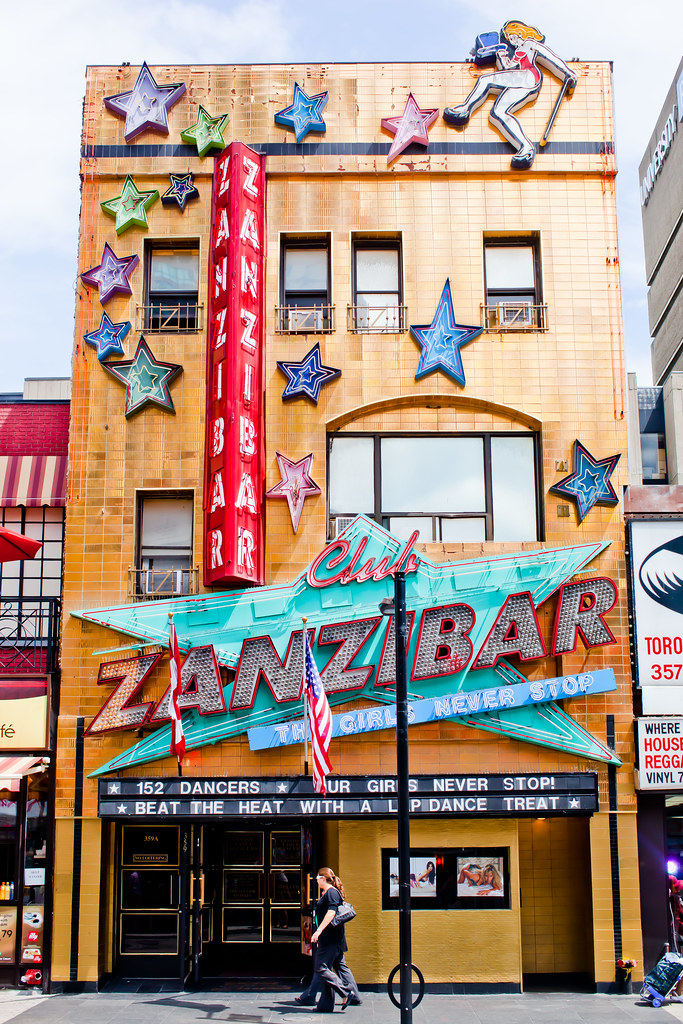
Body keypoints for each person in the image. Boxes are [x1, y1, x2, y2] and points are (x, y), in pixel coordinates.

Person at [443, 20, 577, 169]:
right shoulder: (518, 49)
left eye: (512, 36)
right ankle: (526, 147)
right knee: (498, 113)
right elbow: (508, 67)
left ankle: (465, 109)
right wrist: (501, 57)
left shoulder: (531, 44)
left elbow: (551, 58)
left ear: (520, 34)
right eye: (508, 37)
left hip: (528, 76)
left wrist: (568, 73)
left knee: (485, 80)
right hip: (520, 80)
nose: (510, 40)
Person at [304, 868, 353, 1012]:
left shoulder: (331, 892)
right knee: (326, 968)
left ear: (323, 878)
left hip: (331, 938)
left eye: (317, 878)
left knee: (321, 967)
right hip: (330, 938)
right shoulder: (328, 893)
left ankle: (345, 992)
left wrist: (318, 931)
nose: (316, 880)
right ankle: (325, 1005)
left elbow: (331, 912)